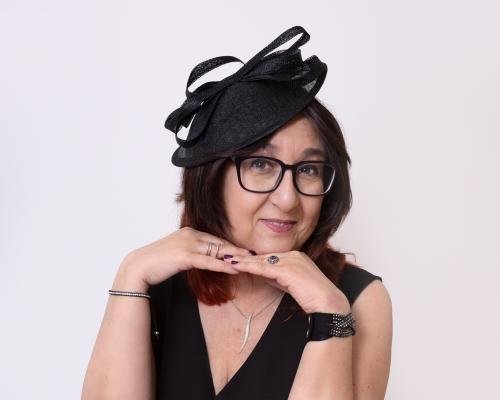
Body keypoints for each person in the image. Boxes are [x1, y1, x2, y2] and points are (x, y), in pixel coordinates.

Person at [81, 26, 392, 400]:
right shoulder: (156, 285)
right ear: (212, 176)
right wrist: (130, 273)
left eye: (308, 170)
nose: (288, 199)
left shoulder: (355, 299)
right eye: (261, 165)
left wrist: (329, 314)